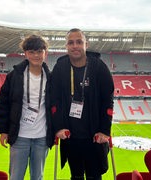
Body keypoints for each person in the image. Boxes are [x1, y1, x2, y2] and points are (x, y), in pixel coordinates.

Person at [50, 28, 114, 180]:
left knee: (94, 176)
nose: (75, 46)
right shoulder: (60, 67)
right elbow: (54, 100)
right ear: (66, 46)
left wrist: (105, 131)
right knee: (76, 176)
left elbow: (108, 101)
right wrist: (59, 127)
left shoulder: (99, 67)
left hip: (94, 136)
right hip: (71, 136)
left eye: (79, 42)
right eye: (71, 43)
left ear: (86, 44)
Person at [0, 34, 54, 180]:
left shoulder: (51, 77)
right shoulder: (14, 76)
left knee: (37, 176)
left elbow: (56, 106)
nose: (36, 55)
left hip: (42, 137)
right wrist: (3, 130)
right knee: (16, 176)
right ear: (25, 53)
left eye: (39, 51)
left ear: (45, 53)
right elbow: (4, 103)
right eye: (32, 52)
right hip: (20, 136)